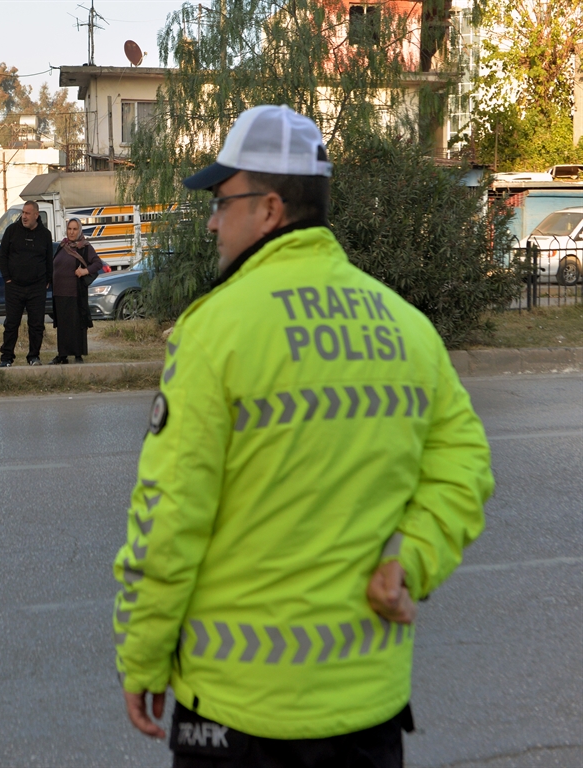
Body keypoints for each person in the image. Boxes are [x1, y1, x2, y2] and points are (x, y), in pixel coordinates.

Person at [112, 105, 493, 768]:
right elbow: (465, 465)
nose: (211, 220)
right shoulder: (405, 327)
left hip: (238, 715)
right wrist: (415, 559)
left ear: (268, 209)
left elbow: (168, 518)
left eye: (221, 201)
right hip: (367, 715)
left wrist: (143, 654)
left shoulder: (215, 330)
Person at [0, 200, 53, 367]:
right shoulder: (12, 231)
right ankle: (6, 358)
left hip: (37, 288)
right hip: (14, 286)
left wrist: (47, 280)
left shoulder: (45, 235)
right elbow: (2, 256)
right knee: (11, 323)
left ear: (36, 215)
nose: (24, 216)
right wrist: (7, 278)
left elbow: (49, 260)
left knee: (36, 324)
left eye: (28, 213)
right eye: (23, 213)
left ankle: (34, 356)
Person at [50, 218, 102, 364]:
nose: (71, 232)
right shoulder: (62, 245)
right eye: (69, 229)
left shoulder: (84, 247)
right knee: (62, 325)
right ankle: (62, 355)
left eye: (74, 229)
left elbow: (98, 263)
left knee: (76, 323)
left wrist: (85, 271)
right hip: (59, 292)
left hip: (75, 292)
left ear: (79, 230)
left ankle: (78, 354)